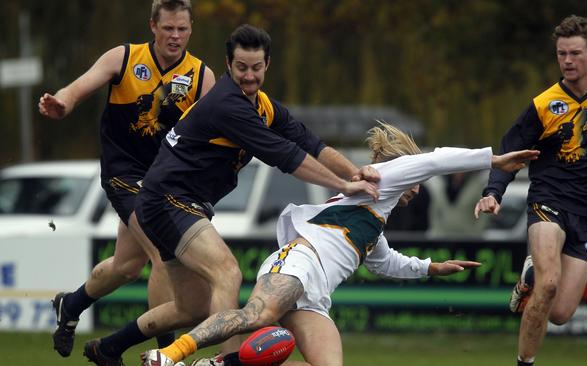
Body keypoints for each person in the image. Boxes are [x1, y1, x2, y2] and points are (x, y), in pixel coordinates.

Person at [79, 24, 381, 366]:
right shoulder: (228, 104)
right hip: (169, 200)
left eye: (255, 68)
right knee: (227, 273)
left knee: (191, 308)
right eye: (241, 68)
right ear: (228, 64)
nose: (248, 77)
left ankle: (109, 347)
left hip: (172, 203)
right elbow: (285, 155)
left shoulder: (263, 105)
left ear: (268, 65)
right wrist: (342, 186)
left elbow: (308, 142)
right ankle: (227, 361)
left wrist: (355, 172)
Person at [136, 121, 539, 366]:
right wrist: (494, 160)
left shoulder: (375, 218)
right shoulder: (383, 177)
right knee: (256, 316)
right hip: (298, 262)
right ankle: (169, 355)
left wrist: (432, 267)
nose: (418, 188)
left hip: (314, 295)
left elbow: (385, 262)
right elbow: (434, 162)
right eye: (414, 180)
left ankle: (222, 363)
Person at [37, 0, 216, 359]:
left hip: (168, 183)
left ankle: (70, 305)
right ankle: (166, 352)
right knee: (163, 253)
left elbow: (215, 133)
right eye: (168, 28)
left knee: (126, 266)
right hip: (125, 174)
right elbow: (81, 85)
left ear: (191, 28)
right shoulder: (124, 57)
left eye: (182, 29)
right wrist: (62, 102)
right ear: (153, 26)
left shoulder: (201, 77)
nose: (175, 36)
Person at [473, 15, 587, 366]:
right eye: (561, 54)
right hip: (548, 200)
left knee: (561, 312)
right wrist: (494, 192)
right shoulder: (543, 104)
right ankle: (525, 361)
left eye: (574, 53)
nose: (567, 61)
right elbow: (510, 152)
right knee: (550, 284)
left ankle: (532, 276)